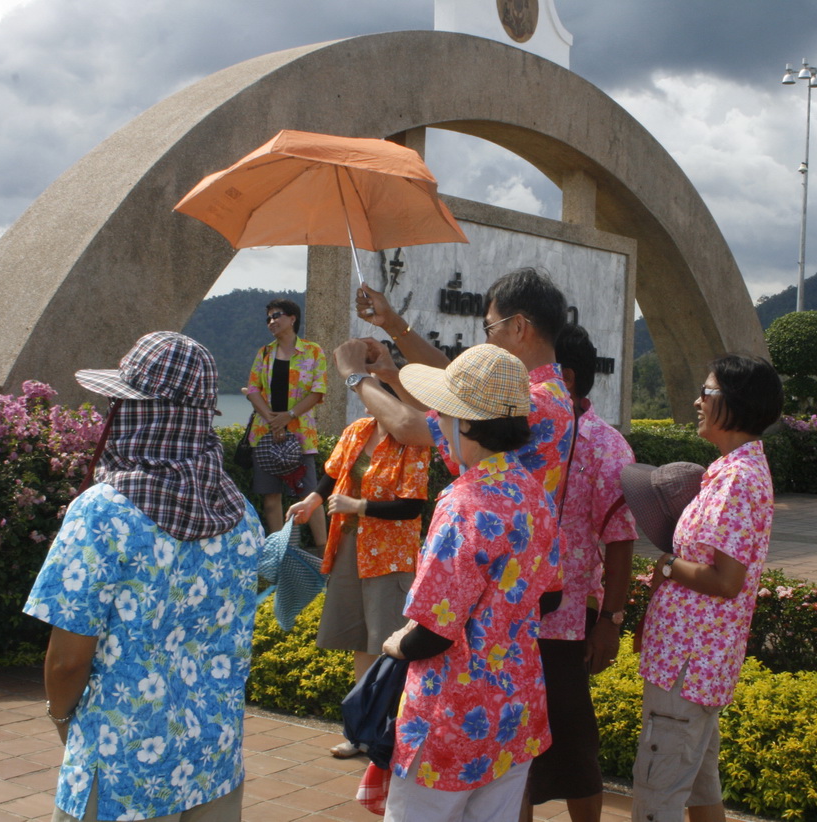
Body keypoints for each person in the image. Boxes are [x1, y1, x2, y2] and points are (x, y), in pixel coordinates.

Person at [23, 331, 265, 822]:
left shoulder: (103, 511)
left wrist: (60, 716)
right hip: (213, 759)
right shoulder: (241, 514)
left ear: (138, 412)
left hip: (122, 770)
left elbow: (68, 661)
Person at [378, 343, 562, 821]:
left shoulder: (464, 504)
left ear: (467, 425)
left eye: (443, 412)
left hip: (450, 715)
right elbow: (551, 595)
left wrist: (394, 645)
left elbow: (432, 634)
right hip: (515, 705)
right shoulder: (535, 493)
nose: (437, 421)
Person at [621, 354, 783, 822]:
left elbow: (726, 581)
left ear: (735, 403)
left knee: (658, 792)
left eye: (706, 393)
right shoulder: (731, 470)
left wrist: (669, 565)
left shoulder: (738, 479)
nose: (697, 402)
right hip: (692, 661)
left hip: (688, 663)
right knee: (698, 787)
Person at [523, 324, 638, 822]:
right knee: (513, 750)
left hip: (565, 623)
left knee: (574, 749)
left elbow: (621, 540)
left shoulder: (606, 446)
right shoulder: (521, 431)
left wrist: (611, 621)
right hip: (510, 617)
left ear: (564, 377)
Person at [344, 267, 574, 502]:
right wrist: (392, 337)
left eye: (489, 328)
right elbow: (453, 387)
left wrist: (355, 376)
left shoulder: (529, 400)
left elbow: (410, 427)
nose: (486, 341)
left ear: (518, 327)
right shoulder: (551, 393)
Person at [285, 411, 430, 758]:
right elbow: (334, 473)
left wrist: (358, 506)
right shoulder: (358, 430)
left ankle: (390, 734)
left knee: (388, 644)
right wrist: (311, 501)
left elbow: (411, 507)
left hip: (390, 555)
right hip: (350, 544)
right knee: (360, 641)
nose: (368, 403)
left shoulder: (413, 440)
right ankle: (358, 732)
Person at [245, 298, 328, 547]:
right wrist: (273, 419)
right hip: (266, 433)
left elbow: (318, 391)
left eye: (276, 315)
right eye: (268, 318)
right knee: (271, 497)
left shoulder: (313, 351)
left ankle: (324, 553)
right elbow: (252, 389)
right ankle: (280, 553)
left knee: (309, 495)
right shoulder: (264, 353)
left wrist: (288, 416)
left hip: (300, 434)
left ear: (292, 318)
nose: (271, 321)